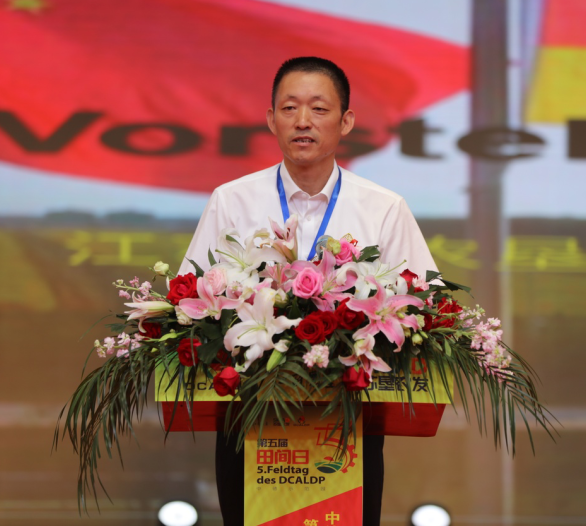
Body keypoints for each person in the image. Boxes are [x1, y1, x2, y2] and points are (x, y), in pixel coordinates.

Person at [178, 56, 438, 526]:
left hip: (348, 421)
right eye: (289, 108)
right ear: (270, 119)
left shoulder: (383, 208)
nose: (302, 121)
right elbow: (190, 301)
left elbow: (425, 304)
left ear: (346, 121)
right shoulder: (231, 200)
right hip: (248, 418)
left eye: (319, 109)